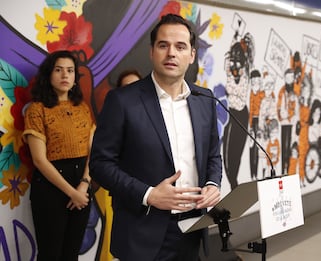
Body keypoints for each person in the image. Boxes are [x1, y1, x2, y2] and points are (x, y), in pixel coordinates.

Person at [89, 14, 222, 261]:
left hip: (193, 227)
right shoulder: (123, 101)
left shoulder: (205, 100)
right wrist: (148, 194)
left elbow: (213, 154)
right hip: (142, 233)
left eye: (180, 46)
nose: (171, 53)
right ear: (152, 51)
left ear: (192, 55)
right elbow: (100, 165)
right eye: (163, 45)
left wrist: (213, 184)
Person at [23, 50, 95, 260]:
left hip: (81, 186)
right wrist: (71, 192)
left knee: (71, 254)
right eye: (59, 70)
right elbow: (39, 160)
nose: (65, 75)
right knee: (50, 254)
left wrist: (83, 184)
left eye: (70, 71)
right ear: (49, 75)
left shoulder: (82, 108)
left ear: (75, 77)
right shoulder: (37, 110)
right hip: (50, 188)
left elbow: (93, 151)